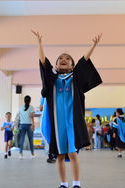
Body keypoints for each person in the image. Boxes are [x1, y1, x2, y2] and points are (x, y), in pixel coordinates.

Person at [32, 30, 102, 188]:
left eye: (68, 59)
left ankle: (76, 183)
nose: (64, 60)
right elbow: (43, 63)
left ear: (72, 65)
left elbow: (84, 60)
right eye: (60, 59)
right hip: (57, 124)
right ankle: (63, 183)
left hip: (72, 123)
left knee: (73, 153)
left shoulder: (75, 79)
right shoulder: (52, 80)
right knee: (60, 155)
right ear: (56, 65)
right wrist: (39, 44)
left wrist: (94, 45)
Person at [39, 96, 57, 163]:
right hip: (50, 113)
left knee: (49, 134)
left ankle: (52, 154)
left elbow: (40, 108)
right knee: (49, 134)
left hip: (51, 113)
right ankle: (52, 154)